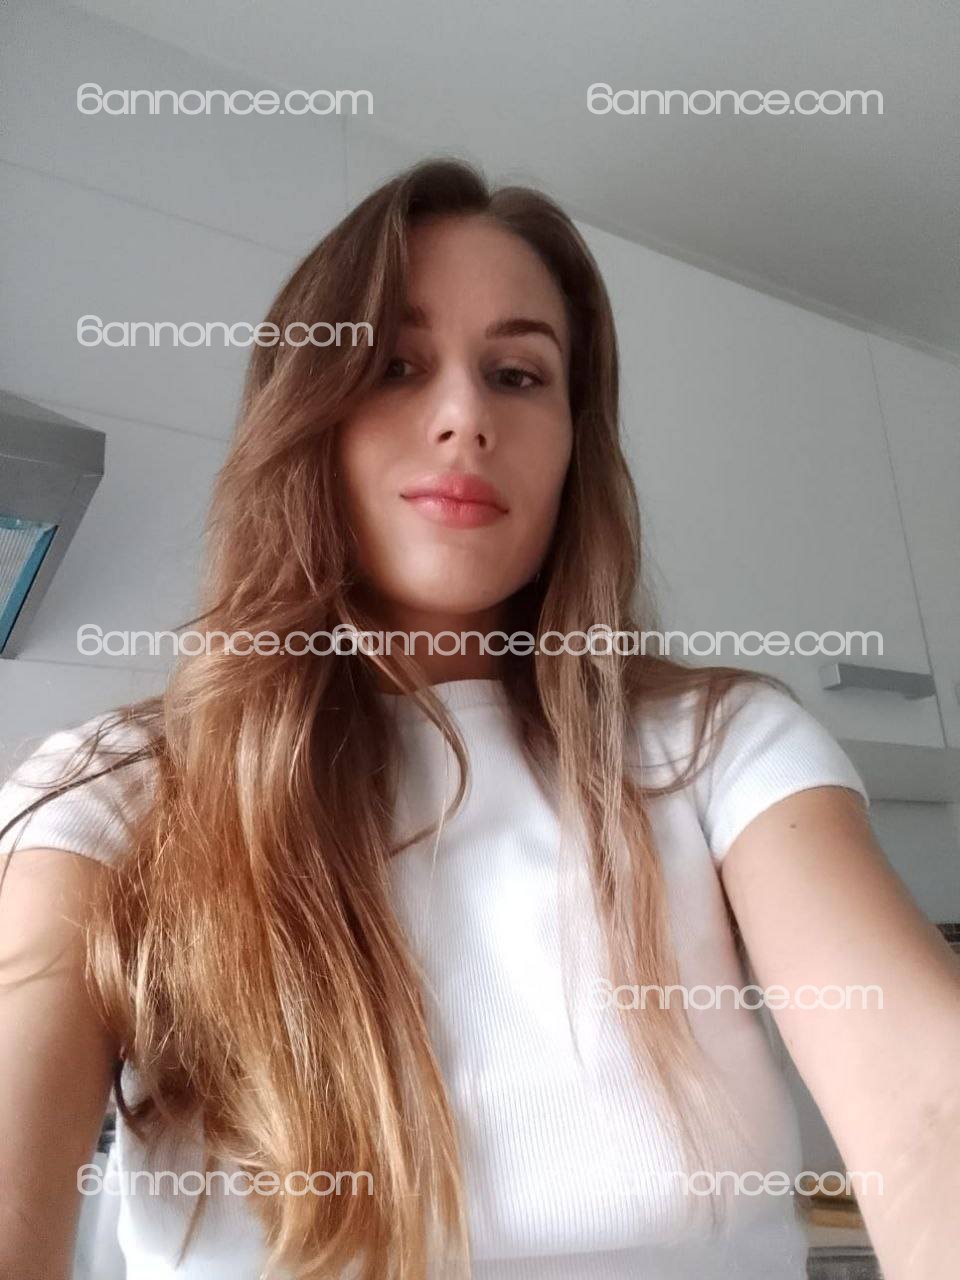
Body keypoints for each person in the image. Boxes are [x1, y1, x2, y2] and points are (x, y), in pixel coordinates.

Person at [1, 158, 957, 1280]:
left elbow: (928, 1106)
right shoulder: (115, 787)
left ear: (572, 443)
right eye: (395, 365)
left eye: (517, 375)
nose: (464, 417)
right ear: (306, 420)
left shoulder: (721, 747)